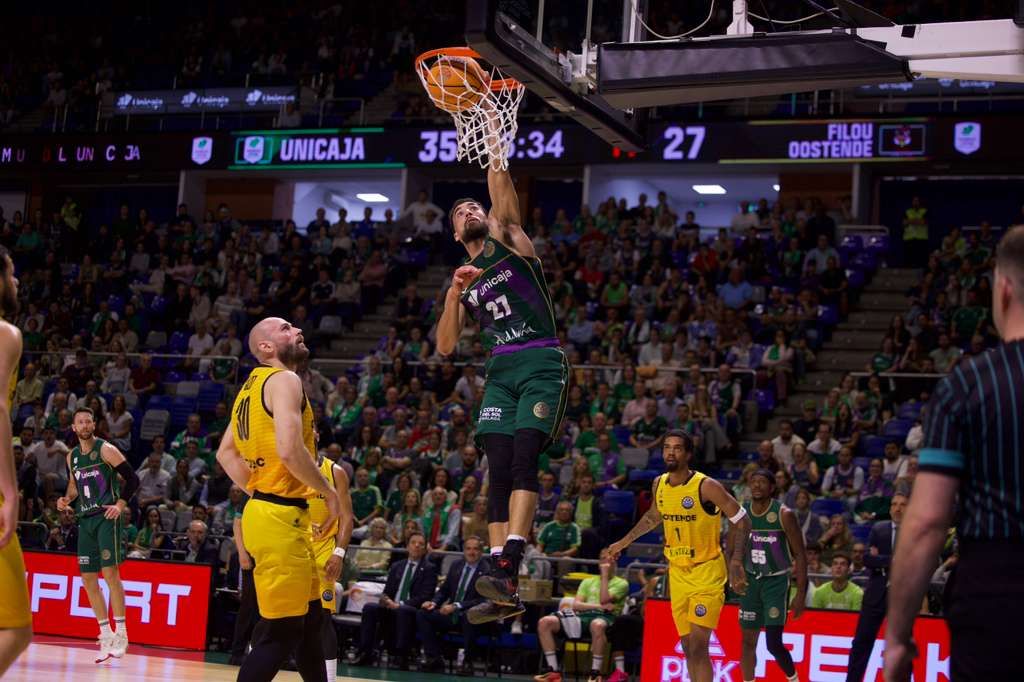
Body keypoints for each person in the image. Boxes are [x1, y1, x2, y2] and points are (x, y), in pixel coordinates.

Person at [436, 143, 569, 625]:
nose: (470, 211)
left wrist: (493, 134)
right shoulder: (465, 278)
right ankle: (501, 579)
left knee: (523, 457)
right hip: (499, 370)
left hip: (538, 360)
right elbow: (447, 347)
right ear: (454, 233)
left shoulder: (509, 241)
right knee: (496, 470)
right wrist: (453, 294)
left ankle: (510, 557)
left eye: (475, 206)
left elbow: (497, 182)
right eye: (459, 212)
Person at [885, 226, 1024, 682]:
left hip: (999, 596)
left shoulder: (967, 386)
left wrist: (899, 637)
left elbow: (926, 523)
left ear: (1003, 290)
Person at [215, 316, 341, 682]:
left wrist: (262, 491)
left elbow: (225, 453)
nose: (298, 330)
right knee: (281, 633)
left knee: (312, 620)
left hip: (274, 513)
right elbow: (289, 450)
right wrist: (328, 493)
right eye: (286, 328)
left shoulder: (250, 387)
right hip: (279, 521)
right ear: (266, 348)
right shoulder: (284, 379)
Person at [608, 431, 751, 682]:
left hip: (706, 572)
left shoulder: (706, 486)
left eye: (676, 448)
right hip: (678, 573)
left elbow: (742, 520)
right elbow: (653, 517)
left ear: (688, 454)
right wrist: (623, 542)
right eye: (666, 448)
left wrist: (737, 562)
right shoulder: (659, 483)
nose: (670, 453)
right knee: (687, 648)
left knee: (698, 647)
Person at [57, 407, 140, 663]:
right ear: (73, 427)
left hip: (106, 517)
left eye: (88, 421)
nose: (84, 425)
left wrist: (121, 505)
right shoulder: (71, 456)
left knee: (111, 574)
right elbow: (74, 487)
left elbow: (133, 479)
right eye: (79, 422)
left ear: (94, 424)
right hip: (86, 520)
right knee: (88, 579)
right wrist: (66, 499)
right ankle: (105, 635)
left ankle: (122, 635)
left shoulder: (106, 449)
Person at [739, 469, 807, 682]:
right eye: (754, 482)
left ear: (772, 488)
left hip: (776, 582)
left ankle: (793, 679)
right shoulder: (742, 513)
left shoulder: (784, 514)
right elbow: (733, 549)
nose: (757, 485)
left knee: (773, 643)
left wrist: (800, 593)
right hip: (750, 580)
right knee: (747, 642)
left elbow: (800, 555)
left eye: (762, 482)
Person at [0, 246, 32, 675]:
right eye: (11, 272)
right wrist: (10, 491)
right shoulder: (6, 333)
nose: (17, 281)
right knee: (16, 629)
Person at [534, 548, 629, 682]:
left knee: (597, 624)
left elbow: (604, 598)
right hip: (583, 617)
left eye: (608, 558)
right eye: (602, 558)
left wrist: (605, 576)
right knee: (545, 622)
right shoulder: (587, 581)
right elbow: (577, 605)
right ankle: (553, 671)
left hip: (607, 620)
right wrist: (600, 607)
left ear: (614, 561)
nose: (604, 561)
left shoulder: (622, 583)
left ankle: (595, 673)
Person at [352, 532, 438, 669]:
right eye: (413, 543)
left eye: (421, 544)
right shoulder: (397, 566)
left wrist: (399, 604)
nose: (417, 546)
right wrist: (385, 599)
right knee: (370, 607)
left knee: (403, 610)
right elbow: (388, 591)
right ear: (407, 546)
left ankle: (400, 655)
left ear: (425, 549)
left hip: (411, 609)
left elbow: (425, 596)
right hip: (391, 606)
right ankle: (365, 652)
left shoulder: (429, 569)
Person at [846, 494, 907, 682]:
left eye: (902, 505)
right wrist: (892, 561)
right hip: (876, 591)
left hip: (902, 595)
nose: (897, 508)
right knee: (861, 644)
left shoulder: (916, 532)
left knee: (902, 647)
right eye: (894, 504)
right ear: (889, 509)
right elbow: (867, 559)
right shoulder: (879, 529)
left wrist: (882, 560)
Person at [306, 452, 353, 681]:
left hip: (323, 550)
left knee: (323, 617)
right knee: (273, 615)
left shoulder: (335, 472)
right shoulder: (286, 462)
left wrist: (339, 552)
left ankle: (330, 678)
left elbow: (347, 517)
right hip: (293, 546)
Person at [416, 535, 489, 676]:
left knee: (470, 616)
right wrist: (434, 602)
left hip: (473, 617)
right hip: (452, 615)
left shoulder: (487, 570)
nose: (471, 552)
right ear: (463, 550)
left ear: (481, 552)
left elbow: (483, 599)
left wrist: (457, 605)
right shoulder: (456, 565)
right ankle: (434, 657)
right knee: (423, 614)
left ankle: (468, 662)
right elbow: (444, 590)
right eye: (468, 548)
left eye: (475, 549)